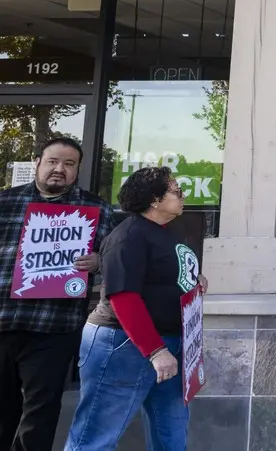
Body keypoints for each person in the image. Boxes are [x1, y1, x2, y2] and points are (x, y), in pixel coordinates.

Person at [64, 166, 208, 451]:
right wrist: (155, 350)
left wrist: (194, 278)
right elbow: (124, 297)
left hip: (170, 344)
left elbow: (166, 275)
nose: (183, 196)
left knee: (171, 436)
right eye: (176, 191)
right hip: (125, 345)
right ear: (154, 199)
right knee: (96, 438)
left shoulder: (169, 231)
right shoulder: (128, 236)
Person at [0, 137, 116, 451]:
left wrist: (97, 263)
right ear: (37, 162)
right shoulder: (6, 202)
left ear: (77, 170)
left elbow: (113, 262)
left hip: (55, 327)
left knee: (40, 413)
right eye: (52, 161)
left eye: (68, 164)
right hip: (4, 321)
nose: (59, 170)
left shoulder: (96, 208)